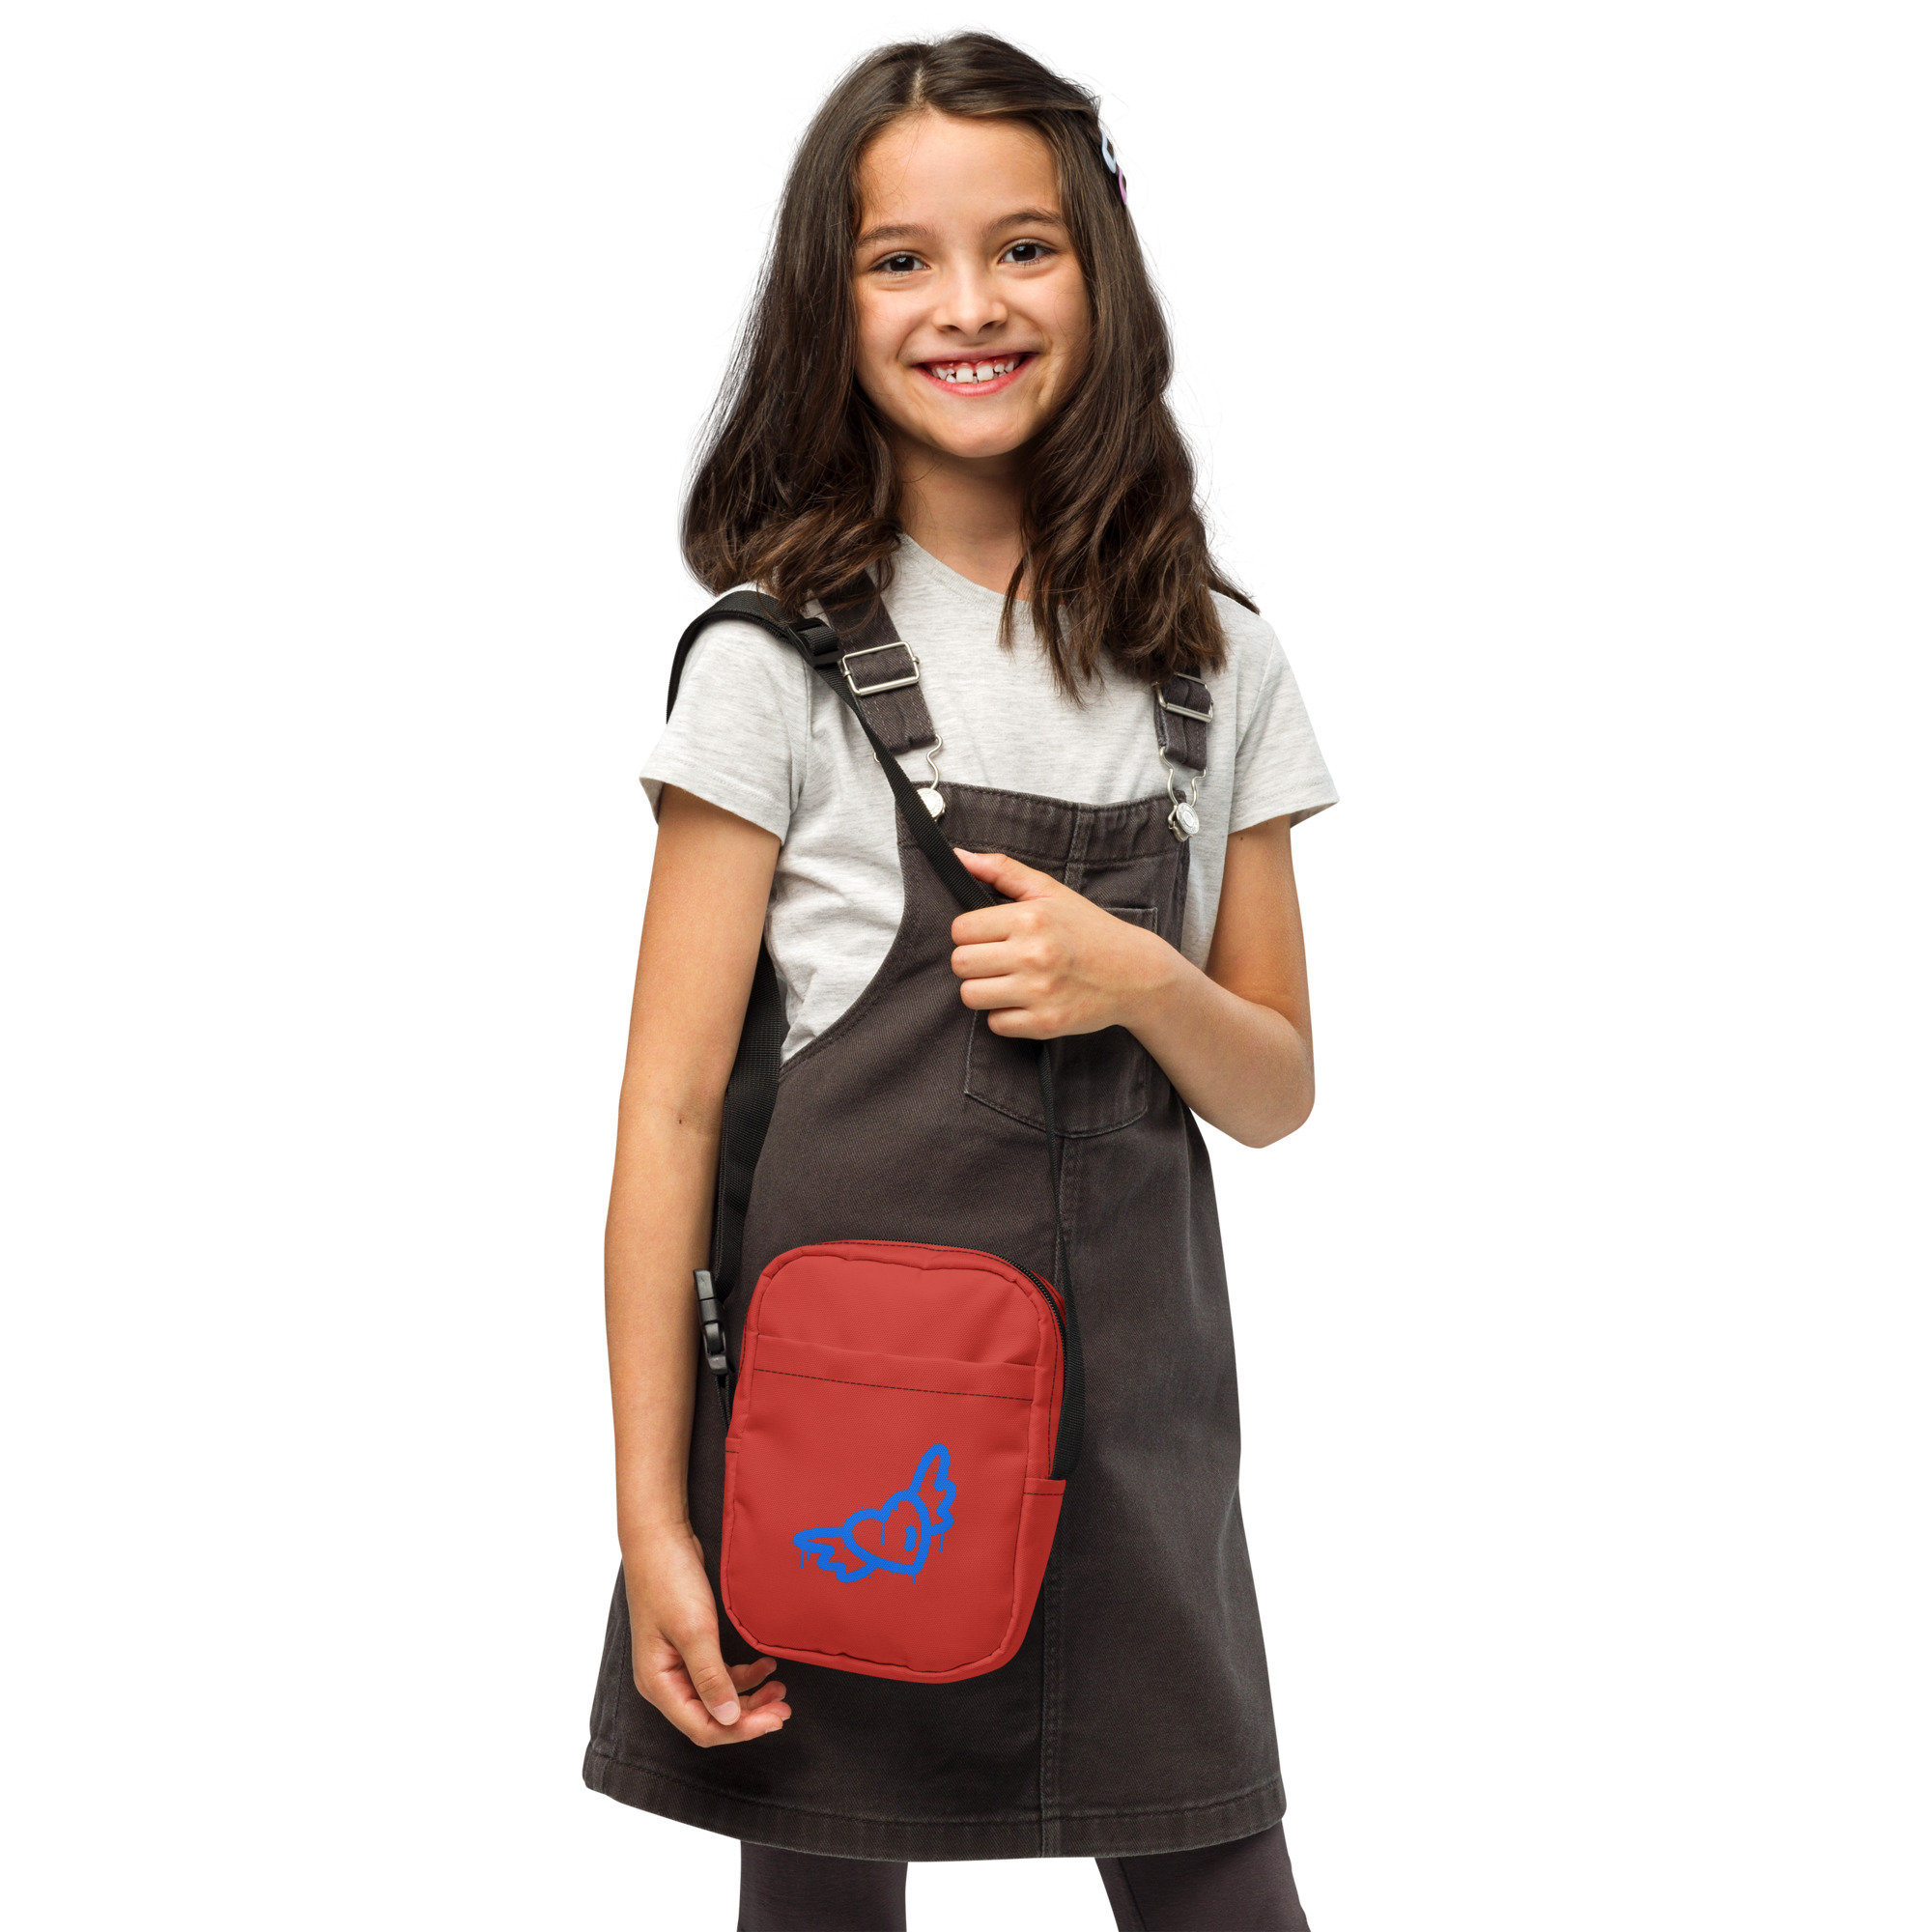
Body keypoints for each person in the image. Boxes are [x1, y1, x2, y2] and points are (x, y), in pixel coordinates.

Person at [583, 33, 1337, 1931]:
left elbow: (1273, 1087)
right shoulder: (766, 664)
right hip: (853, 1438)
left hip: (1136, 1456)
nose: (969, 305)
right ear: (826, 306)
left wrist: (1134, 977)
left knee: (1220, 1880)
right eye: (899, 260)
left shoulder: (1217, 660)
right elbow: (667, 1114)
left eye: (1023, 247)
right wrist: (654, 1516)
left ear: (1099, 269)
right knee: (821, 1895)